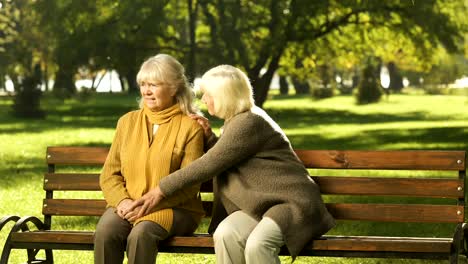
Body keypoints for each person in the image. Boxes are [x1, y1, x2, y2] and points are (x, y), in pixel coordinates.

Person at [124, 65, 336, 264]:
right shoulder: (237, 120)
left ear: (224, 96)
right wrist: (209, 137)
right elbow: (232, 155)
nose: (204, 99)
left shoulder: (249, 122)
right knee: (225, 234)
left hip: (290, 203)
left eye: (208, 95)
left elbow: (209, 164)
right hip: (261, 204)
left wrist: (161, 189)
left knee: (258, 245)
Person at [94, 54, 205, 264]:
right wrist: (123, 201)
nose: (146, 91)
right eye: (143, 84)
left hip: (175, 208)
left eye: (154, 84)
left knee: (141, 235)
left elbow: (190, 185)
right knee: (106, 231)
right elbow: (110, 174)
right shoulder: (127, 122)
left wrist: (148, 206)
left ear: (173, 88)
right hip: (128, 204)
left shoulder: (190, 127)